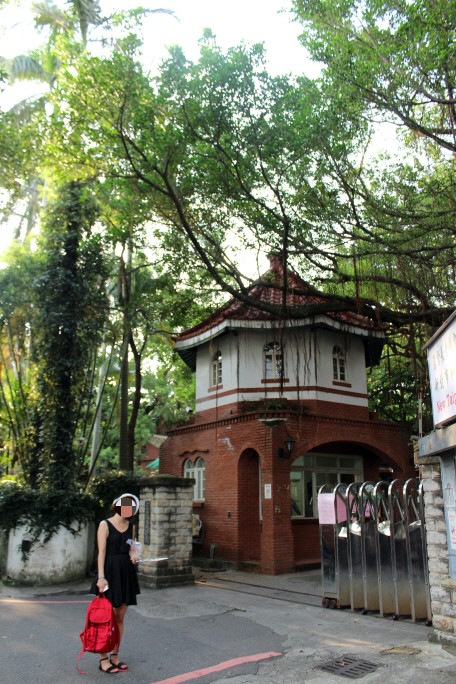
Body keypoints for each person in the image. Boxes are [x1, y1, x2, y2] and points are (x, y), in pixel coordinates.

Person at [92, 493, 141, 674]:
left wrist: (134, 556)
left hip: (126, 572)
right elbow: (101, 552)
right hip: (109, 572)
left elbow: (132, 549)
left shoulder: (131, 526)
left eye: (131, 507)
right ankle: (103, 659)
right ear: (117, 505)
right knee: (106, 618)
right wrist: (101, 577)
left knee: (120, 617)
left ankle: (114, 655)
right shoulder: (104, 524)